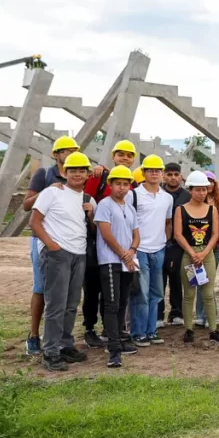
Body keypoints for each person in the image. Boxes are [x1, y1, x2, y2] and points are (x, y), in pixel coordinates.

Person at [29, 151, 96, 372]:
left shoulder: (88, 200)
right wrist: (51, 245)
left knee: (70, 304)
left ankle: (66, 344)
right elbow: (35, 222)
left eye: (82, 170)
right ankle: (50, 351)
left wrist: (91, 216)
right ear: (64, 172)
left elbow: (94, 230)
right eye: (73, 170)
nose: (77, 174)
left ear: (88, 174)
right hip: (57, 254)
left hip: (79, 254)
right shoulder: (51, 193)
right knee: (56, 304)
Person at [79, 139, 140, 350]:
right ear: (113, 156)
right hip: (98, 242)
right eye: (120, 154)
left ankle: (110, 330)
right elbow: (85, 198)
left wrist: (131, 250)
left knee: (114, 295)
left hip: (121, 249)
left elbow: (132, 223)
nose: (125, 158)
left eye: (129, 155)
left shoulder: (131, 187)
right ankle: (90, 328)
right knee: (93, 288)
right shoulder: (101, 177)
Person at [21, 135, 78, 356]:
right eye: (66, 151)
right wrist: (49, 191)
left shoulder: (78, 175)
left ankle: (61, 339)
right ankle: (34, 336)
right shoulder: (44, 174)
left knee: (65, 293)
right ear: (56, 154)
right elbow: (27, 206)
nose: (70, 154)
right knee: (42, 288)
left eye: (74, 150)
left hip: (71, 243)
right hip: (45, 242)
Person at [93, 165, 140, 367]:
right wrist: (124, 254)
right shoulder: (105, 205)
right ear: (110, 184)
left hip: (127, 261)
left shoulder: (129, 207)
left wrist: (132, 250)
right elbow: (106, 234)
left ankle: (120, 339)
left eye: (125, 184)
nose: (122, 188)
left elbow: (136, 233)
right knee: (111, 304)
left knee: (122, 302)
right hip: (110, 261)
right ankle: (113, 349)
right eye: (118, 184)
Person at [173, 171, 219, 344]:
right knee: (189, 294)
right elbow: (178, 234)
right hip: (189, 254)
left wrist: (203, 253)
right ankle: (189, 329)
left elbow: (216, 234)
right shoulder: (181, 210)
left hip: (207, 255)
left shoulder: (212, 209)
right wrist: (193, 253)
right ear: (191, 190)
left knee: (208, 293)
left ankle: (213, 329)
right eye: (198, 190)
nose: (202, 193)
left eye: (204, 189)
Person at [128, 154, 172, 348]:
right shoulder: (133, 195)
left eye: (157, 170)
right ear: (143, 172)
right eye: (150, 170)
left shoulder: (167, 198)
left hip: (159, 249)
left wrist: (164, 240)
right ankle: (138, 332)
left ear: (162, 174)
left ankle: (151, 330)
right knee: (141, 294)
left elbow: (168, 222)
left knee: (157, 293)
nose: (154, 173)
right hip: (140, 250)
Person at [160, 162, 190, 327]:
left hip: (180, 243)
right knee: (159, 280)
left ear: (180, 176)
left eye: (175, 174)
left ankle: (176, 312)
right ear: (164, 176)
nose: (172, 177)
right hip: (158, 242)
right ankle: (158, 314)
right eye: (169, 174)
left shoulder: (187, 195)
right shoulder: (157, 193)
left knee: (177, 279)